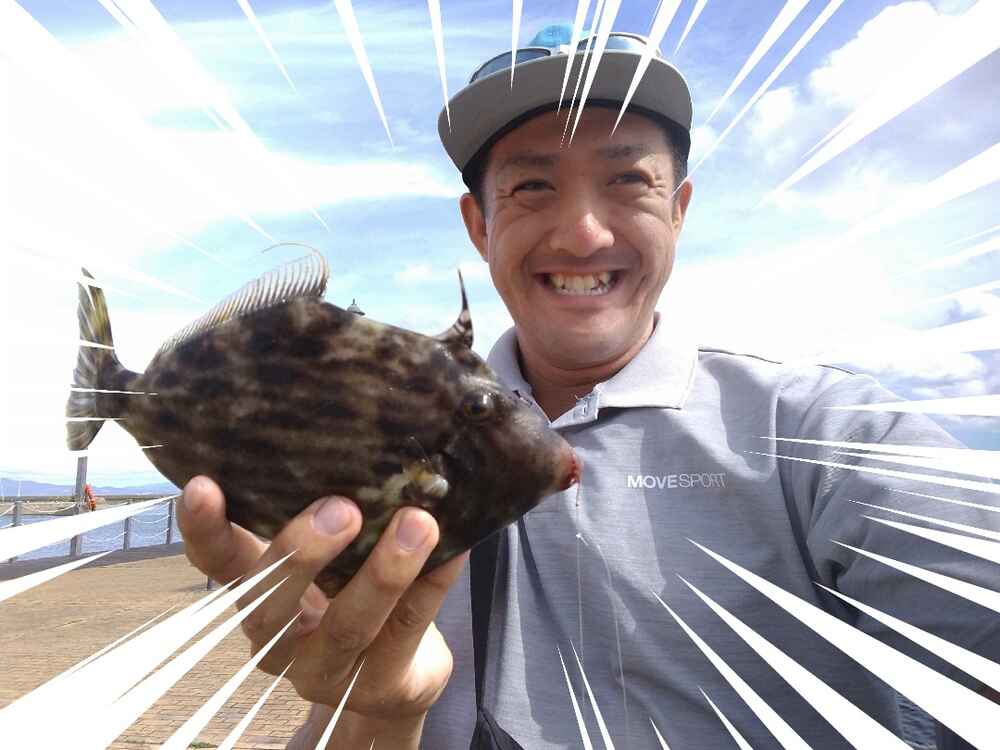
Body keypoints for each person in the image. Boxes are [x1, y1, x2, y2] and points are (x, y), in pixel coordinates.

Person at [178, 28, 998, 750]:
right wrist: (378, 714)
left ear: (678, 210)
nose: (581, 233)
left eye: (628, 181)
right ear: (479, 224)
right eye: (533, 186)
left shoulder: (829, 436)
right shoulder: (378, 428)